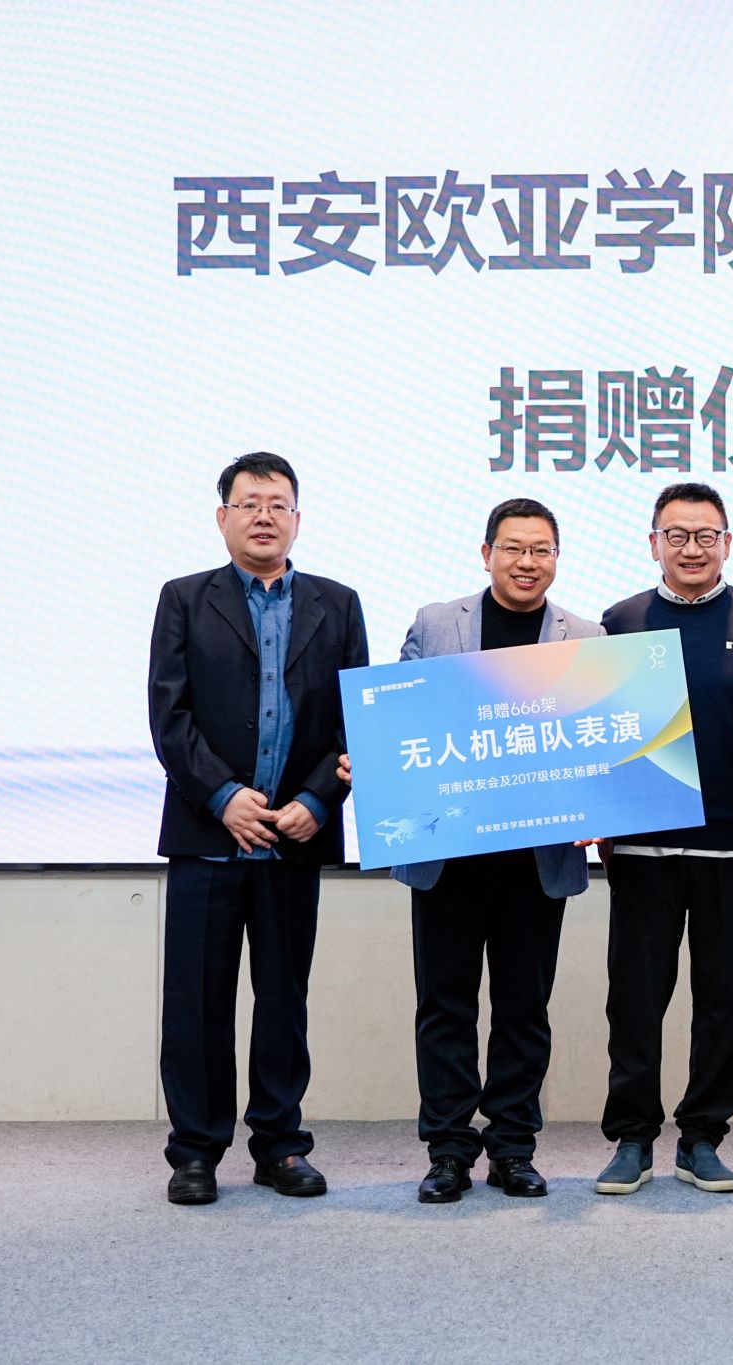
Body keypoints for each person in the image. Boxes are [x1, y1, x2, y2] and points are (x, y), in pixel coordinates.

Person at [147, 451, 367, 1206]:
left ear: (297, 519)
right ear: (223, 517)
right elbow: (169, 716)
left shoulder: (338, 604)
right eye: (249, 503)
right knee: (197, 1003)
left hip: (294, 838)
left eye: (278, 504)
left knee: (282, 999)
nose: (264, 516)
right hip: (209, 837)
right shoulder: (184, 599)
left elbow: (355, 720)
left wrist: (317, 800)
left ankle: (279, 1145)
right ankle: (195, 1151)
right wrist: (223, 796)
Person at [390, 498, 603, 1203]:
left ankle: (513, 1146)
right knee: (444, 1006)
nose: (526, 562)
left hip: (534, 862)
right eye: (513, 548)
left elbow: (602, 746)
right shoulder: (435, 623)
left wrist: (600, 806)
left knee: (523, 1008)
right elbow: (400, 722)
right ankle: (448, 1149)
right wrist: (377, 762)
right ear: (486, 554)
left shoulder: (587, 636)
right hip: (448, 855)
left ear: (556, 558)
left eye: (541, 549)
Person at [589, 483, 733, 1196]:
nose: (692, 548)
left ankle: (702, 1135)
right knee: (635, 1001)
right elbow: (595, 727)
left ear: (728, 543)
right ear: (654, 544)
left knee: (722, 1002)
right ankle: (632, 1138)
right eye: (676, 535)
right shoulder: (619, 622)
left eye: (706, 535)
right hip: (642, 847)